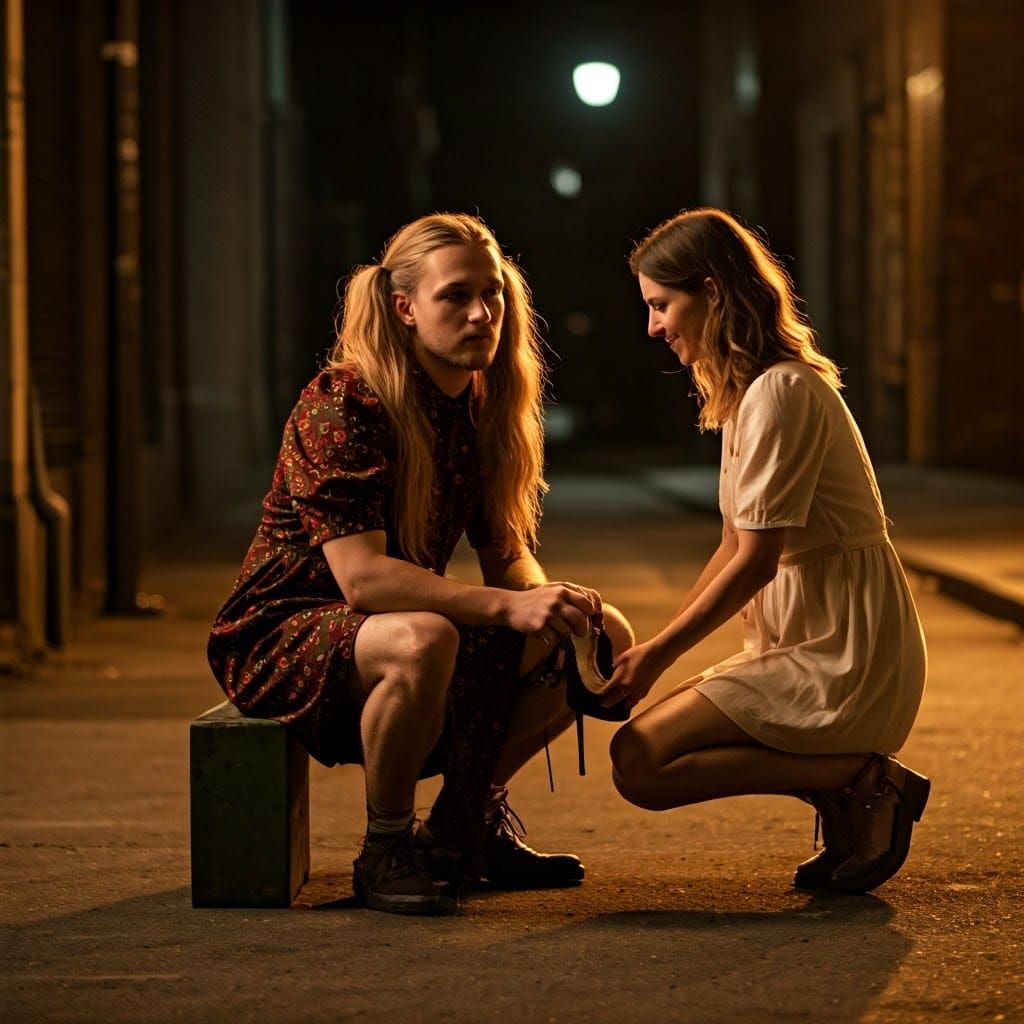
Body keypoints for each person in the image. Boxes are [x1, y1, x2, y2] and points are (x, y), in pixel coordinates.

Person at [208, 212, 632, 916]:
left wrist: (551, 605)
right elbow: (363, 580)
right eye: (455, 296)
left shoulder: (482, 406)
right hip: (282, 632)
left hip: (392, 625)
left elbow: (507, 557)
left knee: (599, 627)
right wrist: (508, 607)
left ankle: (462, 828)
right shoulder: (347, 402)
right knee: (424, 636)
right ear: (405, 307)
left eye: (492, 294)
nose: (481, 313)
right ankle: (385, 849)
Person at [604, 208, 929, 894]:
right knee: (638, 760)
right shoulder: (748, 394)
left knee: (641, 760)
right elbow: (731, 544)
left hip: (843, 650)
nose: (653, 327)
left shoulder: (782, 391)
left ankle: (862, 780)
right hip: (802, 643)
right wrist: (654, 649)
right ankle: (847, 790)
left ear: (712, 291)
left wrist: (658, 656)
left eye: (662, 305)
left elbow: (754, 561)